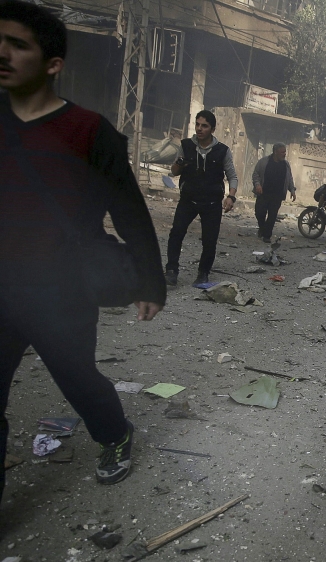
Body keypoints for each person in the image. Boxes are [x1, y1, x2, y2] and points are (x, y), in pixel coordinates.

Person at [0, 0, 166, 496]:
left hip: (62, 291)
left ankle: (116, 435)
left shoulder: (91, 133)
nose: (3, 52)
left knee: (78, 380)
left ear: (53, 65)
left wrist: (150, 282)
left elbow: (131, 213)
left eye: (18, 45)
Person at [165, 109, 238, 287]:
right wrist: (179, 163)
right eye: (197, 124)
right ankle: (171, 271)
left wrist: (231, 197)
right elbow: (173, 172)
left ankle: (203, 273)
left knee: (209, 240)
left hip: (212, 202)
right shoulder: (186, 146)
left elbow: (232, 176)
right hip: (188, 200)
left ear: (212, 129)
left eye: (204, 126)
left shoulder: (222, 151)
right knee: (176, 233)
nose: (199, 129)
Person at [251, 143, 296, 243]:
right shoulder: (264, 162)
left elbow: (289, 178)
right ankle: (262, 228)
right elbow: (256, 174)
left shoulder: (286, 165)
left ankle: (267, 236)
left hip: (277, 195)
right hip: (263, 193)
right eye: (282, 152)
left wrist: (292, 190)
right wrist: (257, 185)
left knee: (272, 216)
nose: (284, 154)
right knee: (259, 213)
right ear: (275, 152)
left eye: (285, 152)